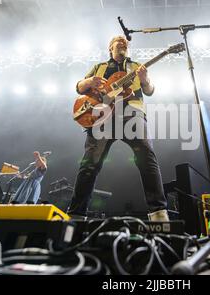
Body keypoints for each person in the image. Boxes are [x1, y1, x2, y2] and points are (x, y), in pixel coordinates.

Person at [67, 35, 169, 221]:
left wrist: (145, 80)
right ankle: (76, 215)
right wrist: (89, 82)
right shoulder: (99, 67)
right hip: (101, 118)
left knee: (147, 157)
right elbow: (79, 87)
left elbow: (149, 90)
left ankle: (158, 213)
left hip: (132, 113)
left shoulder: (137, 66)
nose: (122, 45)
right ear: (110, 49)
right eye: (118, 44)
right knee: (89, 164)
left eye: (125, 44)